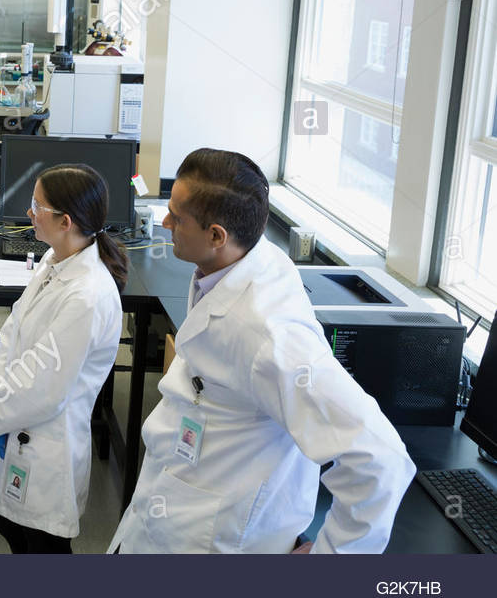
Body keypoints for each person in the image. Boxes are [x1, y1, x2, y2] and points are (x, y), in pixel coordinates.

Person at [108, 148, 415, 554]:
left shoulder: (270, 336)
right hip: (175, 496)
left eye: (176, 218)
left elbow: (381, 459)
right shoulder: (239, 263)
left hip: (211, 537)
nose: (165, 224)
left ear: (217, 235)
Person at [0, 164, 126, 553]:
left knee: (40, 544)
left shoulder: (86, 295)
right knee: (4, 519)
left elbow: (45, 389)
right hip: (19, 426)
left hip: (47, 446)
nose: (29, 212)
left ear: (66, 221)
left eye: (36, 205)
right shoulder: (54, 261)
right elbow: (14, 331)